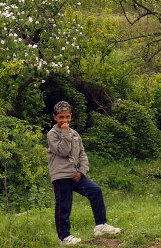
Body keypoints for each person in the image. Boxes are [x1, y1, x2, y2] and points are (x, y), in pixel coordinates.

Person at [47, 101, 121, 245]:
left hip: (76, 175)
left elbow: (82, 154)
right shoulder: (52, 134)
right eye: (61, 117)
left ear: (71, 116)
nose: (64, 120)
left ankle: (100, 226)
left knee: (95, 191)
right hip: (61, 176)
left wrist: (81, 171)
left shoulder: (75, 134)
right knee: (64, 205)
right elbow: (63, 151)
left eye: (67, 117)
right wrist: (65, 132)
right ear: (55, 117)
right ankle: (64, 237)